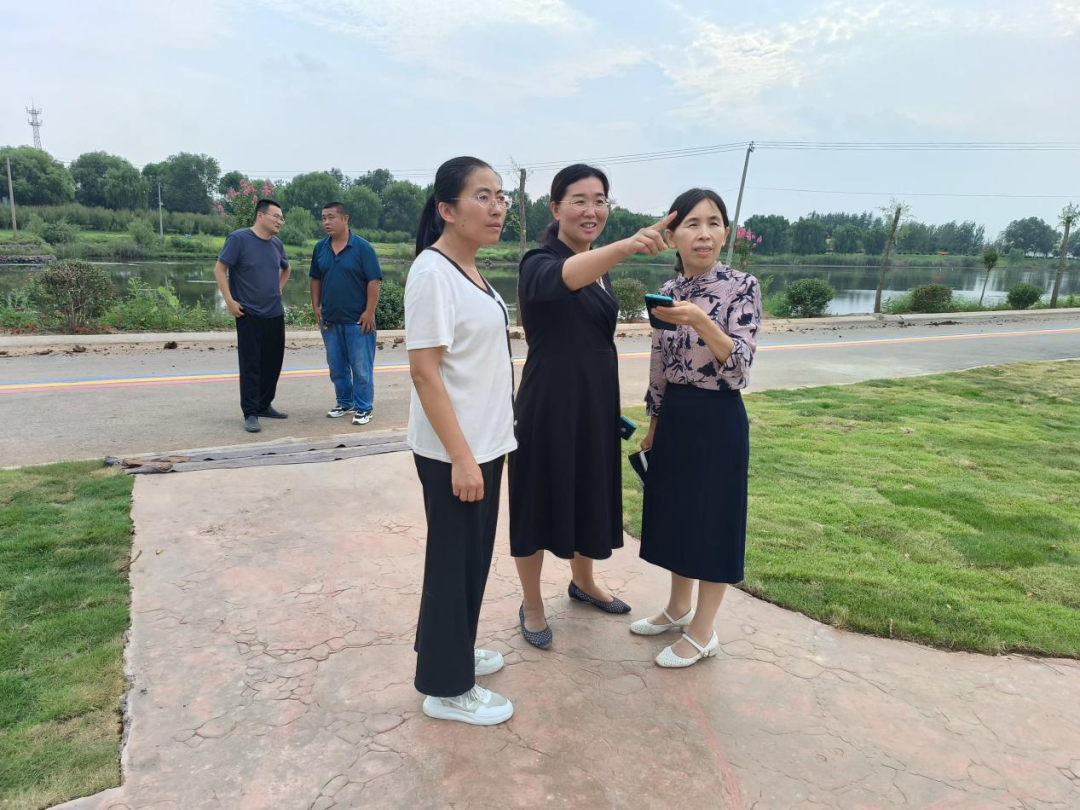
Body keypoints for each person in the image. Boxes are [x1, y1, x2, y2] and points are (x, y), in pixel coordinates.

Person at [509, 163, 674, 649]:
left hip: (593, 402)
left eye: (600, 200)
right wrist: (626, 245)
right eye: (579, 200)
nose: (591, 210)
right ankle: (531, 603)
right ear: (555, 208)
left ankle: (583, 581)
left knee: (587, 493)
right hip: (548, 404)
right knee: (535, 503)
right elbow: (564, 278)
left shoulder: (598, 269)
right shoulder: (538, 262)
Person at [404, 156, 517, 725]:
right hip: (457, 452)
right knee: (454, 563)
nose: (497, 208)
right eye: (482, 196)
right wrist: (462, 458)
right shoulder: (433, 273)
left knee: (469, 560)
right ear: (447, 209)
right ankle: (447, 688)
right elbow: (424, 372)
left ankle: (451, 648)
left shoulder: (468, 269)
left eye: (500, 196)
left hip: (485, 443)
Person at [631, 188, 762, 668]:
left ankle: (704, 631)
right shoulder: (667, 291)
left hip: (718, 415)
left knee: (713, 523)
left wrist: (702, 322)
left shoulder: (742, 286)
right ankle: (677, 608)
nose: (703, 234)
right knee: (678, 517)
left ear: (725, 232)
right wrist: (655, 422)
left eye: (713, 223)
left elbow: (741, 364)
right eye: (691, 224)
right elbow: (659, 363)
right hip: (677, 415)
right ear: (672, 236)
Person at [213, 198, 292, 433]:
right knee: (251, 365)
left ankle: (264, 405)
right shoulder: (239, 239)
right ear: (260, 215)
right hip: (249, 313)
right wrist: (229, 301)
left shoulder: (276, 244)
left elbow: (286, 268)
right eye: (276, 216)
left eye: (281, 218)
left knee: (273, 362)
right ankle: (250, 412)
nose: (280, 221)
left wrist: (279, 288)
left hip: (274, 313)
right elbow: (220, 269)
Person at [310, 201, 383, 425]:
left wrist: (369, 311)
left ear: (345, 219)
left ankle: (363, 407)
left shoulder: (362, 248)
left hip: (358, 321)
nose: (326, 222)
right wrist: (316, 306)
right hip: (330, 320)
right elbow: (315, 278)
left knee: (361, 368)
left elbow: (373, 281)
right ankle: (345, 402)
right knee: (337, 367)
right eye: (323, 218)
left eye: (331, 217)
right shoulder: (320, 248)